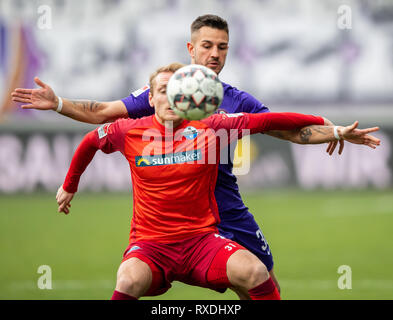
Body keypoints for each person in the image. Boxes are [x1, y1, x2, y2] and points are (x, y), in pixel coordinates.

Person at [12, 14, 345, 297]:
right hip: (174, 217)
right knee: (135, 278)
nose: (215, 53)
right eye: (207, 45)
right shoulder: (165, 91)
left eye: (222, 47)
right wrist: (58, 103)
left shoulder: (237, 101)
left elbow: (285, 130)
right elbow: (103, 113)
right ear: (191, 48)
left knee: (260, 281)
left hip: (225, 204)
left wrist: (330, 129)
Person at [55, 63, 380, 300]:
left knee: (255, 272)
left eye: (176, 92)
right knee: (126, 281)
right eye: (161, 92)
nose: (169, 98)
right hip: (152, 246)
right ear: (151, 99)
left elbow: (269, 120)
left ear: (187, 97)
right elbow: (89, 141)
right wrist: (70, 185)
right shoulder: (127, 130)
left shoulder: (212, 126)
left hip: (201, 242)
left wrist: (331, 127)